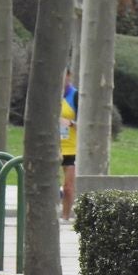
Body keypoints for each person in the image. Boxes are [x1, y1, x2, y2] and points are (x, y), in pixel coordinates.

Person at [59, 69, 79, 220]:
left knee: (68, 187)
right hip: (53, 147)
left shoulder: (75, 96)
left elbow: (85, 124)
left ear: (68, 76)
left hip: (71, 148)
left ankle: (65, 217)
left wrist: (71, 123)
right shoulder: (50, 95)